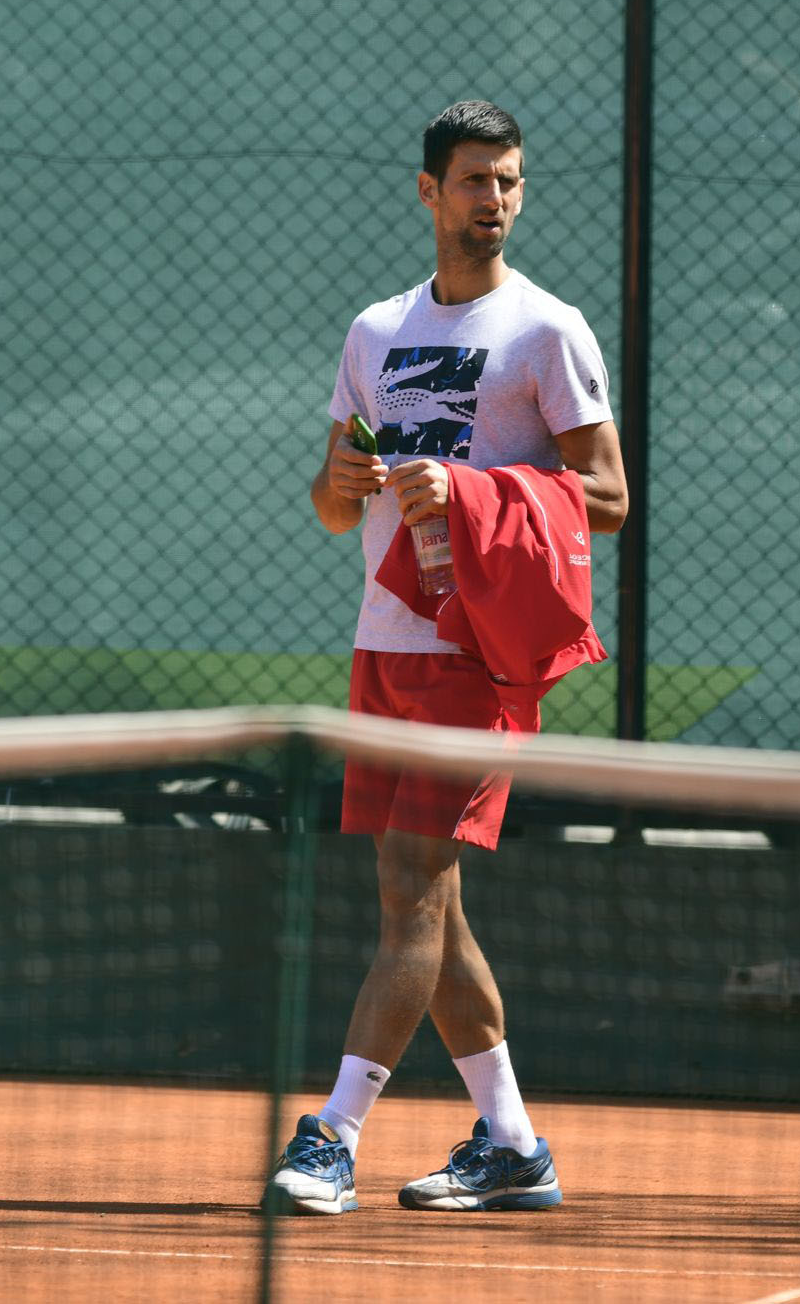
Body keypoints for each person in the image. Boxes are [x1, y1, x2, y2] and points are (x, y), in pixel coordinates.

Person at [263, 101, 629, 1215]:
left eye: (509, 182)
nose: (494, 202)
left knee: (409, 895)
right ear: (428, 191)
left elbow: (607, 498)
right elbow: (330, 503)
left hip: (477, 654)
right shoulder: (372, 332)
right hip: (384, 645)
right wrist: (356, 482)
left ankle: (331, 1132)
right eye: (473, 182)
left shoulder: (547, 330)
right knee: (434, 899)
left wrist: (467, 490)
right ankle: (512, 1144)